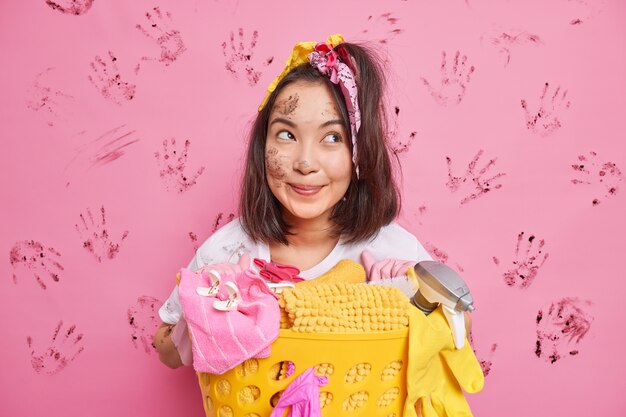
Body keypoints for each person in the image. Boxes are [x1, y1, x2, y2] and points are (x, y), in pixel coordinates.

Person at [154, 34, 434, 369]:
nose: (305, 162)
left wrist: (413, 298)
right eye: (286, 134)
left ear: (360, 153)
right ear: (262, 146)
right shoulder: (226, 252)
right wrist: (209, 306)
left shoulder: (394, 249)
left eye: (332, 137)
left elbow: (460, 330)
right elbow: (168, 353)